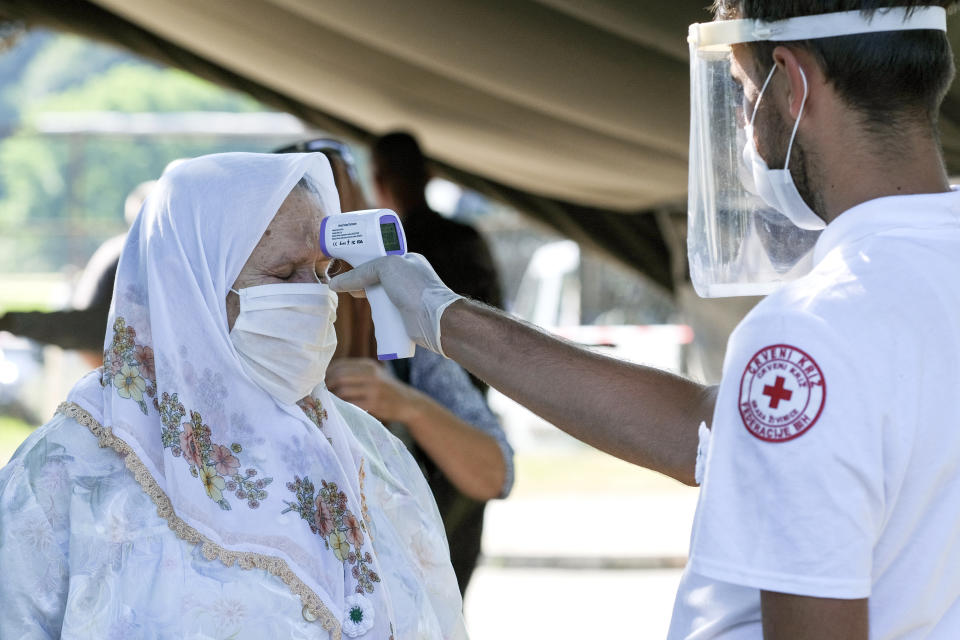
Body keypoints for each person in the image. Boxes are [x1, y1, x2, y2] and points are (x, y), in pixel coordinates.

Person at [330, 2, 960, 638]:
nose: (745, 123)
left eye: (745, 90)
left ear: (791, 84)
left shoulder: (812, 331)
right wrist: (443, 317)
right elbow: (712, 428)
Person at [0, 152, 465, 639]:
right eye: (285, 274)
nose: (316, 296)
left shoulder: (369, 451)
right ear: (192, 288)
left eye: (324, 271)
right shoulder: (65, 474)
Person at [277, 138, 514, 593]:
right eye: (282, 269)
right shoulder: (240, 334)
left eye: (325, 249)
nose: (308, 278)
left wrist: (405, 404)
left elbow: (495, 473)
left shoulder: (402, 332)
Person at [0, 180, 155, 367]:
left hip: (93, 332)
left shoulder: (120, 247)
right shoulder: (135, 250)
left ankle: (14, 322)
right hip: (100, 332)